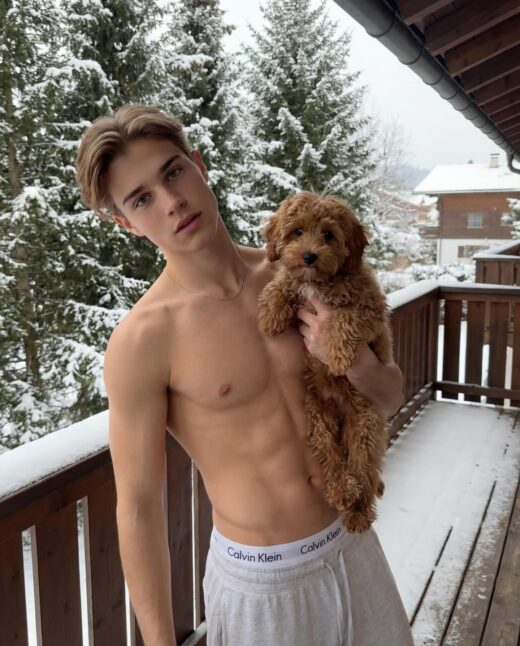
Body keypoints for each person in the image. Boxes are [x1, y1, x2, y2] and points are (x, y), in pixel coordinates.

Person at [76, 104, 414, 646]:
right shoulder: (143, 340)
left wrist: (354, 362)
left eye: (173, 172)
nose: (171, 201)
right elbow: (138, 508)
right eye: (141, 199)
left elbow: (390, 394)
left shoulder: (299, 271)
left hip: (354, 545)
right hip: (262, 585)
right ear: (126, 223)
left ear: (199, 165)